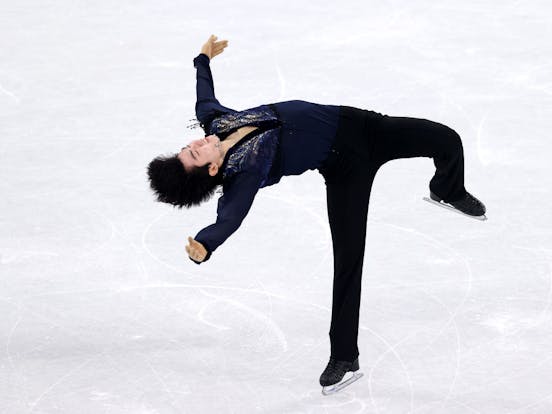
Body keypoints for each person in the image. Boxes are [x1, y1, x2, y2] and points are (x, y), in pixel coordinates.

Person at [147, 35, 486, 394]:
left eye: (188, 147)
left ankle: (447, 190)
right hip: (344, 171)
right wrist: (204, 244)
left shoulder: (216, 123)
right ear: (212, 170)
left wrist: (202, 58)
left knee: (447, 139)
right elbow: (230, 217)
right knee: (349, 257)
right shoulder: (244, 175)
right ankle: (345, 356)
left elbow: (204, 95)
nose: (195, 143)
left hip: (366, 128)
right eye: (196, 154)